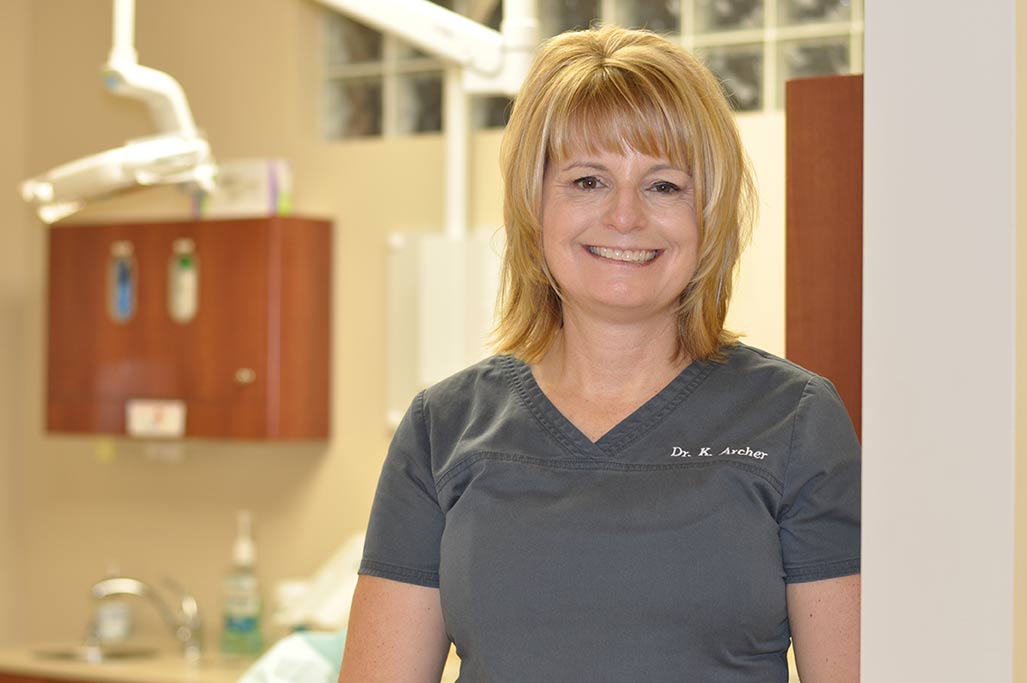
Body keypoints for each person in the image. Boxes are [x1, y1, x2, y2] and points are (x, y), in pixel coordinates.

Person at [339, 25, 860, 683]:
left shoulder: (794, 419)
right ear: (535, 206)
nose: (623, 216)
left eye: (664, 185)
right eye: (587, 180)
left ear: (711, 214)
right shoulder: (442, 428)